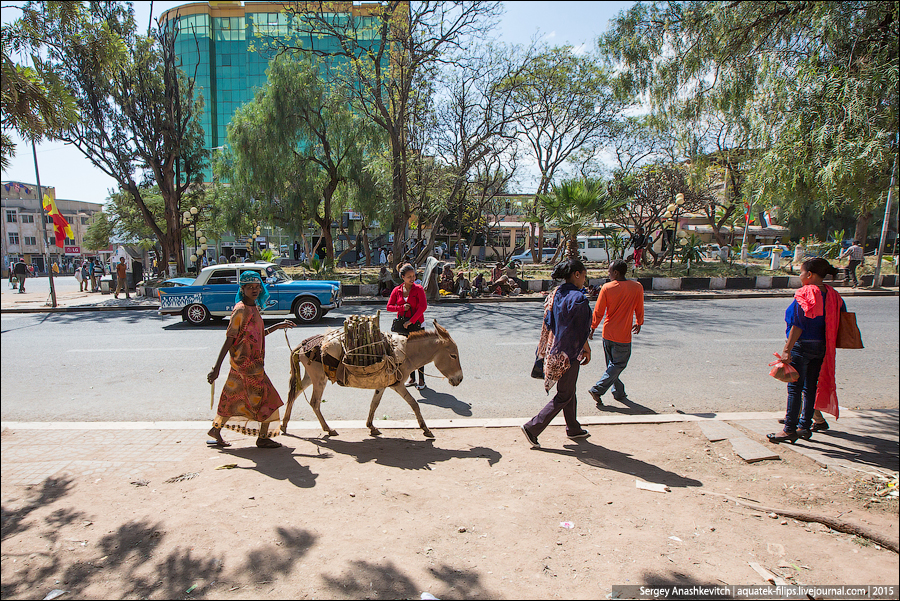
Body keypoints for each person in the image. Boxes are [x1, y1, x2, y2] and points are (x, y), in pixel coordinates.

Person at [207, 271, 295, 448]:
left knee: (233, 399)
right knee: (270, 400)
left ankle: (216, 430)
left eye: (257, 287)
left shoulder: (253, 308)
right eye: (250, 287)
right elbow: (230, 339)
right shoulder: (240, 310)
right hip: (245, 367)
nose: (255, 290)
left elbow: (256, 335)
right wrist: (216, 368)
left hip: (254, 367)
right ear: (243, 289)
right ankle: (262, 438)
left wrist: (278, 326)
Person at [768, 258, 846, 443]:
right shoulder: (833, 294)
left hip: (802, 346)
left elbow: (798, 324)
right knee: (810, 387)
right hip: (822, 346)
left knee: (794, 388)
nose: (800, 276)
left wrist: (787, 349)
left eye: (801, 272)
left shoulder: (807, 292)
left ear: (809, 274)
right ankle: (804, 426)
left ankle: (789, 429)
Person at [521, 259, 592, 448]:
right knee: (564, 394)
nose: (584, 280)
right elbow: (581, 329)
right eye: (584, 275)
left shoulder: (556, 293)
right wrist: (586, 348)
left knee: (569, 390)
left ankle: (573, 428)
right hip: (569, 353)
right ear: (576, 274)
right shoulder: (579, 299)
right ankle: (532, 427)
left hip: (553, 349)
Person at [587, 259, 645, 407]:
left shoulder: (607, 288)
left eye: (609, 271)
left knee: (612, 366)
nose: (608, 274)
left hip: (607, 333)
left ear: (616, 273)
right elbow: (639, 307)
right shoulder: (637, 287)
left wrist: (593, 328)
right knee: (618, 364)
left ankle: (618, 392)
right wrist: (639, 322)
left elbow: (599, 311)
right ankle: (598, 389)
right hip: (623, 335)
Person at [387, 263, 427, 390]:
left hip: (417, 324)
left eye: (414, 276)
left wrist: (411, 320)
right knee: (406, 352)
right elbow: (389, 307)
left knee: (419, 353)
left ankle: (422, 380)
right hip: (402, 326)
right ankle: (412, 378)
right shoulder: (397, 290)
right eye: (409, 276)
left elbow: (423, 307)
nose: (412, 279)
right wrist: (401, 308)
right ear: (402, 277)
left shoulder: (419, 289)